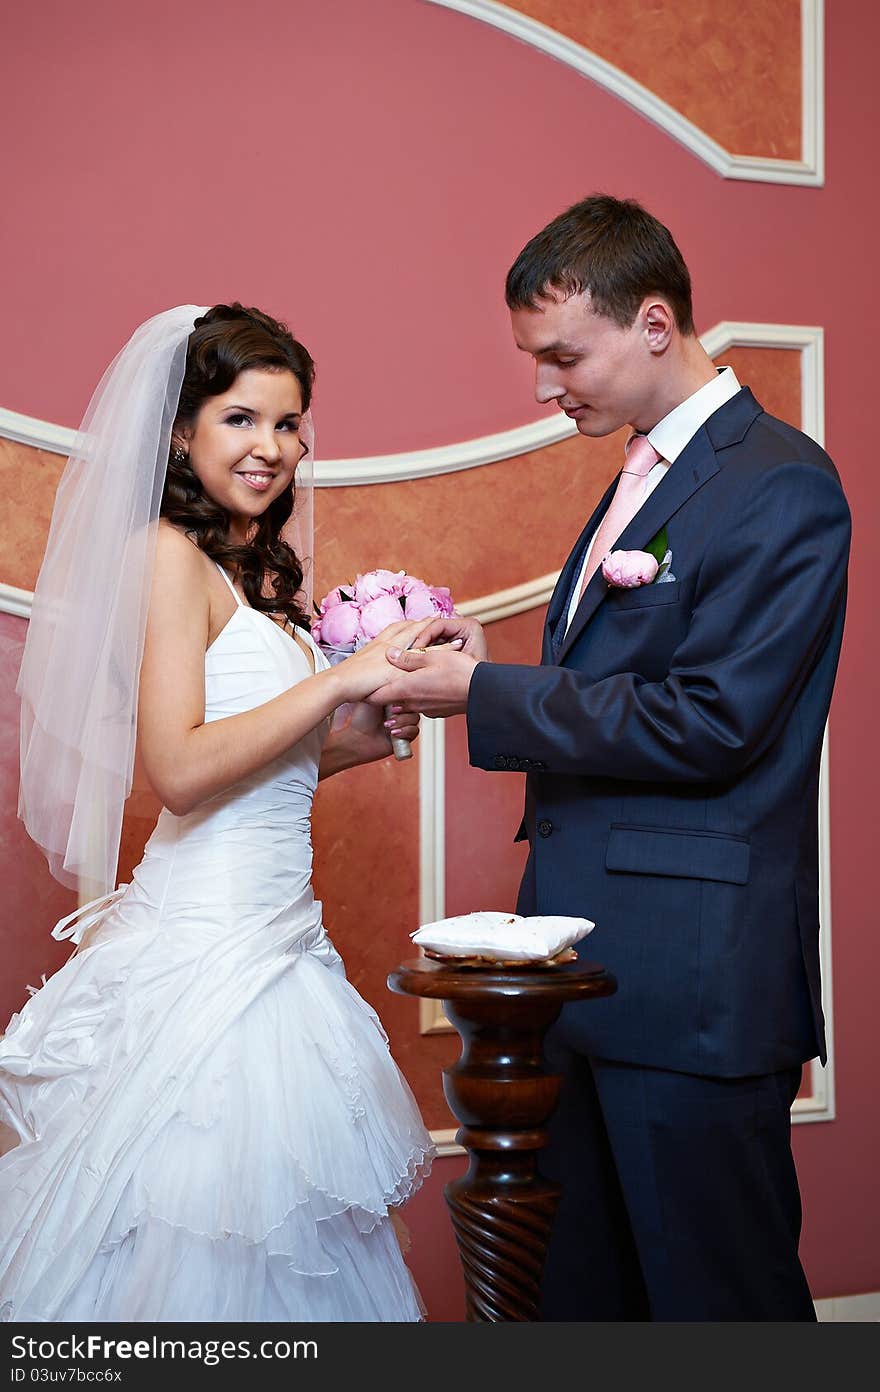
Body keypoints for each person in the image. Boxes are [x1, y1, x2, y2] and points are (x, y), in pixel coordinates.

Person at [375, 195, 851, 1320]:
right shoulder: (644, 473)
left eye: (561, 355)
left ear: (651, 323)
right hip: (587, 973)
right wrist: (490, 665)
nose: (544, 387)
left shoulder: (779, 482)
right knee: (594, 1296)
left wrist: (486, 696)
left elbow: (711, 721)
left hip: (691, 980)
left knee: (716, 1303)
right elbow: (624, 678)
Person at [1, 303, 434, 1322]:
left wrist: (358, 737)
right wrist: (333, 686)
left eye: (288, 425)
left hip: (277, 936)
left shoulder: (257, 567)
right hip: (203, 948)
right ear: (181, 430)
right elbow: (180, 771)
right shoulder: (165, 553)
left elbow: (259, 762)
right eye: (240, 419)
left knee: (288, 1241)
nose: (269, 448)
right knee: (191, 1229)